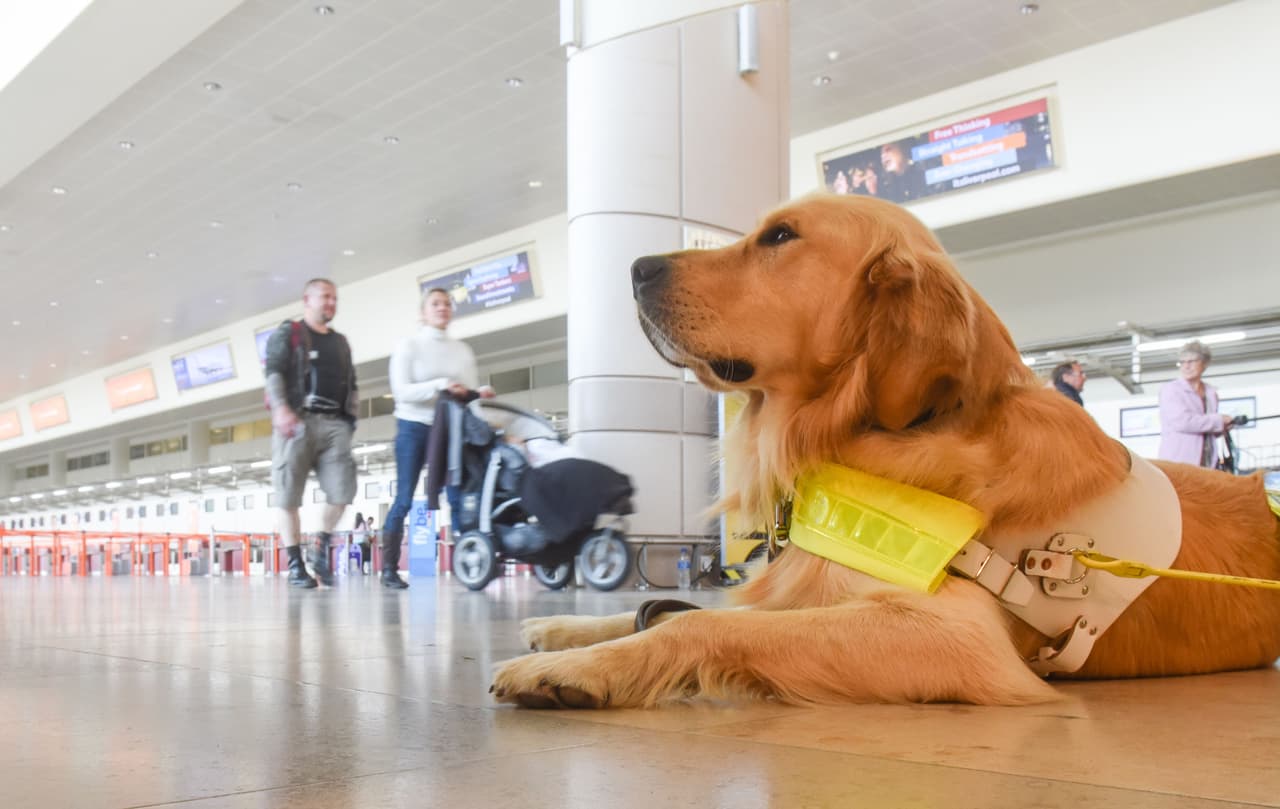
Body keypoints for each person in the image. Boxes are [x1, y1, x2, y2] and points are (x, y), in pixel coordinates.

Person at [380, 287, 494, 588]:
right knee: (404, 497)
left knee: (458, 494)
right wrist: (440, 385)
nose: (442, 308)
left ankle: (469, 562)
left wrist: (477, 396)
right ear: (423, 312)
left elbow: (468, 396)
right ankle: (389, 568)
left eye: (446, 304)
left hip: (451, 427)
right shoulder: (409, 346)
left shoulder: (463, 350)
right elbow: (401, 391)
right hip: (413, 426)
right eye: (435, 304)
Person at [264, 278, 359, 588]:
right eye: (325, 297)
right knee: (288, 495)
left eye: (334, 298)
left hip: (335, 423)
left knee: (342, 493)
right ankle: (295, 565)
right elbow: (273, 372)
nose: (331, 303)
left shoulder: (340, 342)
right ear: (307, 300)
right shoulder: (289, 333)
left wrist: (350, 420)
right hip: (296, 419)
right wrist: (281, 408)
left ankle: (321, 545)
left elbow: (352, 382)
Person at [1157, 340, 1233, 467]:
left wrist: (1222, 427)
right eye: (1182, 362)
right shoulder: (1171, 390)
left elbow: (1206, 427)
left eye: (1191, 361)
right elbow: (1183, 422)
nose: (1186, 366)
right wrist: (1218, 421)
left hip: (1207, 461)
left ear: (1204, 363)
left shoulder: (1211, 392)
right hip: (1178, 461)